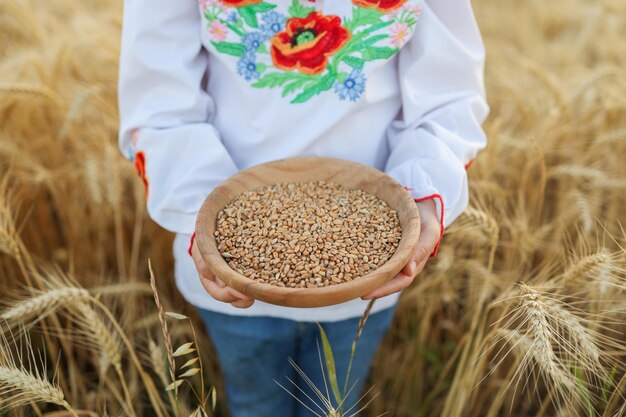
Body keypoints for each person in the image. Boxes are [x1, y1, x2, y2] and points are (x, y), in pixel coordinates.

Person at [117, 0, 488, 415]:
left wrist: (422, 196)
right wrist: (207, 217)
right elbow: (159, 105)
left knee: (333, 406)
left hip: (369, 275)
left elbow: (448, 97)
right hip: (226, 278)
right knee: (256, 405)